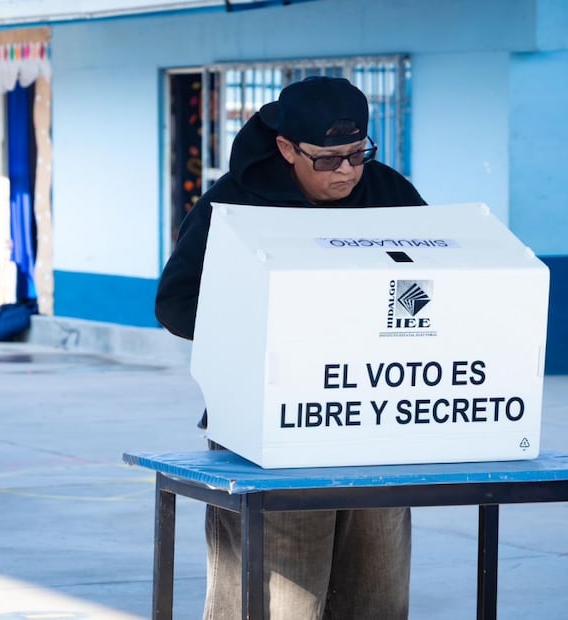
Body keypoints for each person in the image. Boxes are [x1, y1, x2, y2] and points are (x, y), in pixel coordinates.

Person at [154, 76, 426, 619]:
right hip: (265, 430)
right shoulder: (232, 205)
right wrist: (268, 323)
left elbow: (436, 282)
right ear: (286, 148)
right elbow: (176, 303)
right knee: (279, 597)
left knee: (377, 591)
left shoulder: (390, 193)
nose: (347, 171)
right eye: (327, 160)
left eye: (357, 155)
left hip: (377, 424)